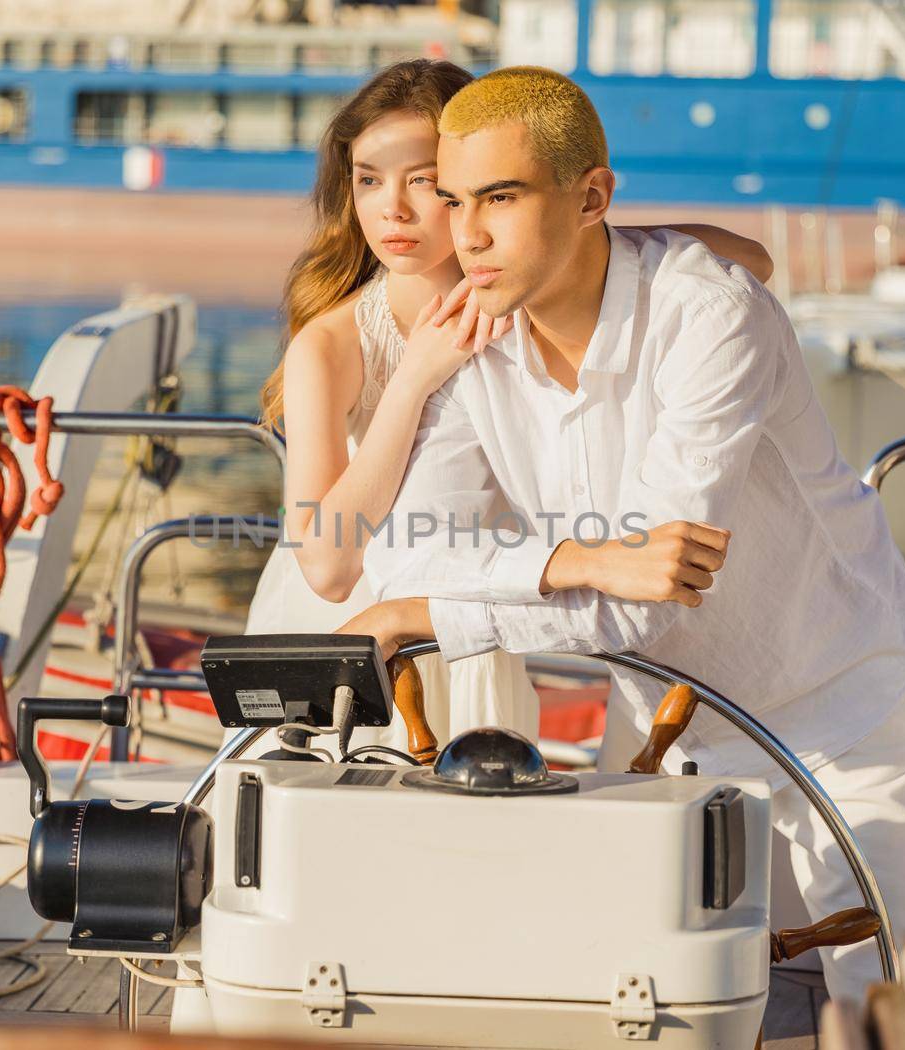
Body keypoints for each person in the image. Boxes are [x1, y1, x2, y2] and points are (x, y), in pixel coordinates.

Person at [340, 65, 905, 1000]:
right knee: (629, 992)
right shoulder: (474, 336)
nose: (466, 235)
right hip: (661, 710)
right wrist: (583, 561)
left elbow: (646, 611)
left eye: (500, 197)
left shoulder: (712, 317)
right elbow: (401, 549)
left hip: (833, 694)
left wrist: (419, 614)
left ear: (592, 197)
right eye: (455, 199)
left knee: (895, 998)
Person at [244, 59, 775, 757]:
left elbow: (752, 261)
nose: (392, 209)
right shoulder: (334, 343)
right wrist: (414, 378)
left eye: (426, 182)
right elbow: (329, 567)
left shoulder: (518, 290)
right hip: (354, 627)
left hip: (478, 609)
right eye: (368, 179)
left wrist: (583, 228)